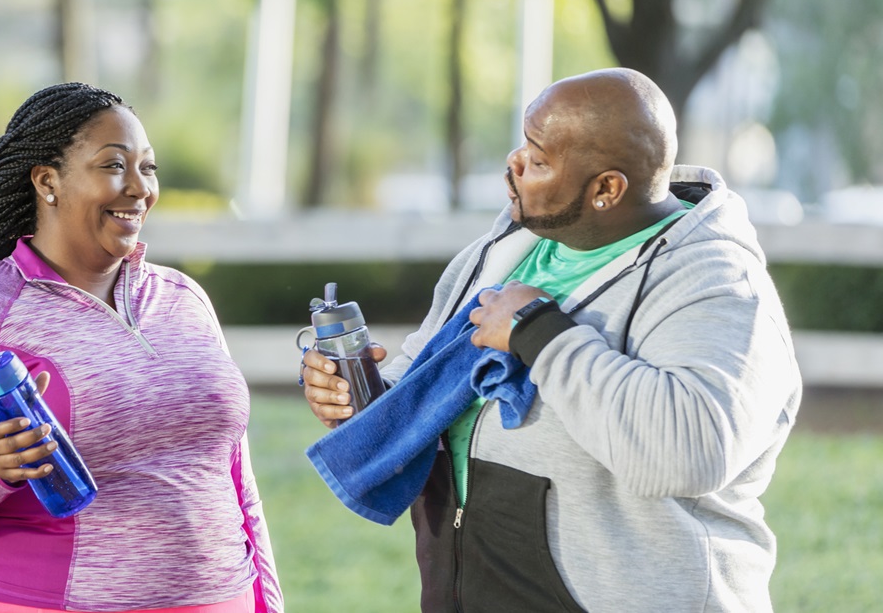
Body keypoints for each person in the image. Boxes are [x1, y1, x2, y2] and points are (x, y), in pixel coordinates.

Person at [300, 68, 801, 612]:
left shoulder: (718, 286)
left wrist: (539, 332)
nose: (515, 164)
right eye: (524, 144)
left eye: (539, 161)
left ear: (607, 188)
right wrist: (371, 399)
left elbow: (690, 451)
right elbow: (435, 378)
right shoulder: (506, 247)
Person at [0, 82, 283, 613]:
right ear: (48, 181)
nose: (140, 189)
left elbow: (236, 482)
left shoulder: (185, 300)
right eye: (114, 165)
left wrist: (268, 602)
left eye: (149, 168)